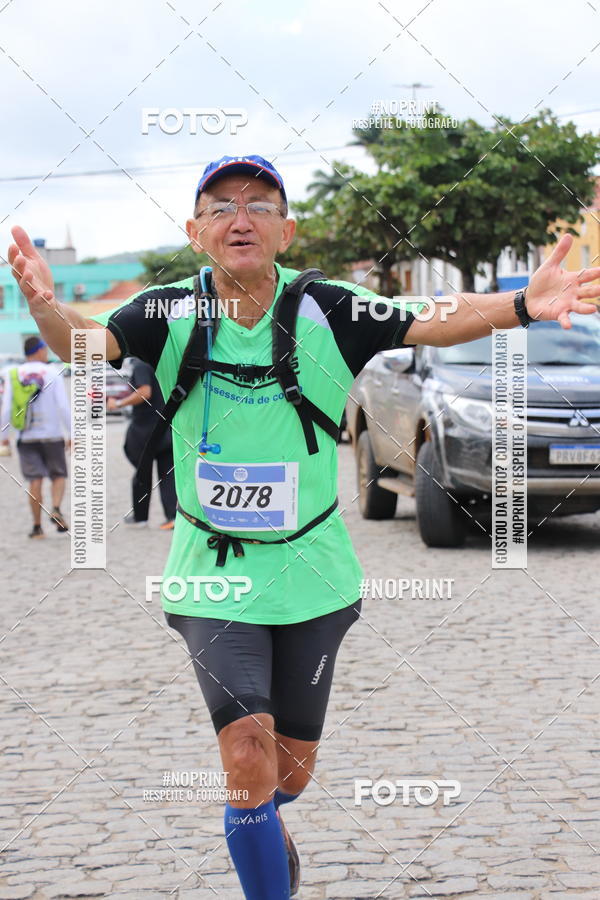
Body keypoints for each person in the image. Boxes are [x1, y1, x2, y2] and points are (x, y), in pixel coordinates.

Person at [8, 154, 599, 898]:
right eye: (220, 206)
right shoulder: (166, 312)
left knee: (288, 771)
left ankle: (259, 821)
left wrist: (520, 306)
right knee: (247, 758)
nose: (240, 216)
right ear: (197, 232)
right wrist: (43, 309)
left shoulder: (332, 307)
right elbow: (84, 344)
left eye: (259, 204)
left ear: (286, 230)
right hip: (212, 574)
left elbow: (434, 322)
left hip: (313, 569)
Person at [0, 336, 71, 538]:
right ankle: (56, 508)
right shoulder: (52, 372)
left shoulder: (13, 373)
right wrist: (72, 434)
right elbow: (63, 406)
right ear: (39, 351)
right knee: (58, 475)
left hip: (26, 436)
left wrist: (4, 436)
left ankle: (37, 527)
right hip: (52, 435)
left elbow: (6, 409)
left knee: (35, 480)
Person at [107, 357, 176, 529]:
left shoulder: (141, 364)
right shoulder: (158, 361)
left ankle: (141, 517)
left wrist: (119, 403)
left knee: (142, 474)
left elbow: (145, 392)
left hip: (145, 430)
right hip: (165, 426)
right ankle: (172, 517)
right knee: (167, 476)